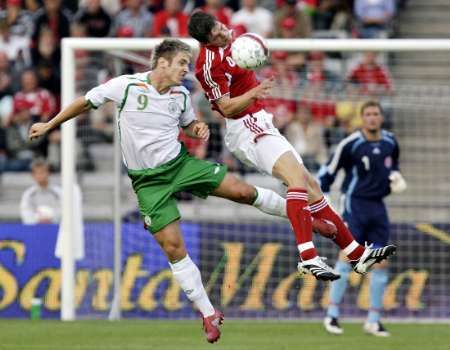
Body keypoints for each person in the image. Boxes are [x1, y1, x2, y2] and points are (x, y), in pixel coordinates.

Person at [28, 38, 334, 343]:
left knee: (241, 191)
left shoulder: (181, 95)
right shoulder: (127, 85)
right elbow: (85, 101)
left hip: (180, 165)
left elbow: (188, 125)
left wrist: (196, 129)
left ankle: (305, 219)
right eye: (182, 64)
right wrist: (49, 124)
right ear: (163, 62)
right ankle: (208, 313)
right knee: (173, 247)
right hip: (148, 182)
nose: (186, 69)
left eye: (187, 64)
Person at [188, 11, 397, 282]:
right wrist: (254, 91)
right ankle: (308, 256)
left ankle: (356, 253)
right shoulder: (207, 64)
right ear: (206, 42)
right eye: (214, 36)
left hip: (260, 121)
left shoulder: (234, 36)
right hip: (245, 127)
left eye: (219, 27)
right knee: (297, 180)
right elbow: (226, 107)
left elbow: (251, 51)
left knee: (311, 186)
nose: (221, 33)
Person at [319, 101, 406, 337]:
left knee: (381, 261)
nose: (372, 118)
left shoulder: (390, 142)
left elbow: (393, 164)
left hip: (377, 208)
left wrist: (395, 176)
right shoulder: (351, 144)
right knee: (347, 257)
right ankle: (332, 316)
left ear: (381, 117)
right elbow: (326, 173)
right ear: (361, 118)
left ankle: (373, 321)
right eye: (367, 114)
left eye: (376, 113)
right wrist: (323, 203)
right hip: (354, 205)